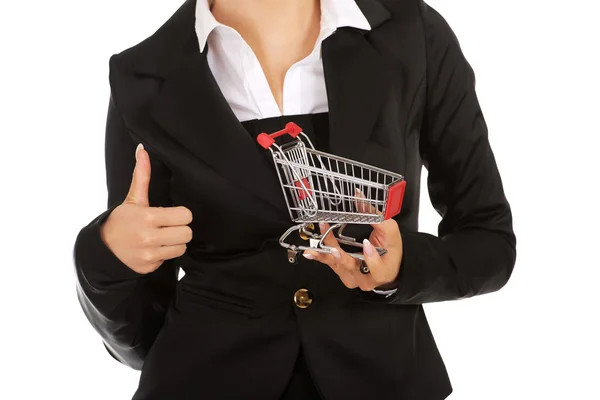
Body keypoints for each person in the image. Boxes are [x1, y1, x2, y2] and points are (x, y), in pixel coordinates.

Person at [72, 0, 517, 399]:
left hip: (383, 379)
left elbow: (488, 241)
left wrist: (401, 268)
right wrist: (106, 254)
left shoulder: (413, 35)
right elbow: (139, 340)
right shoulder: (142, 76)